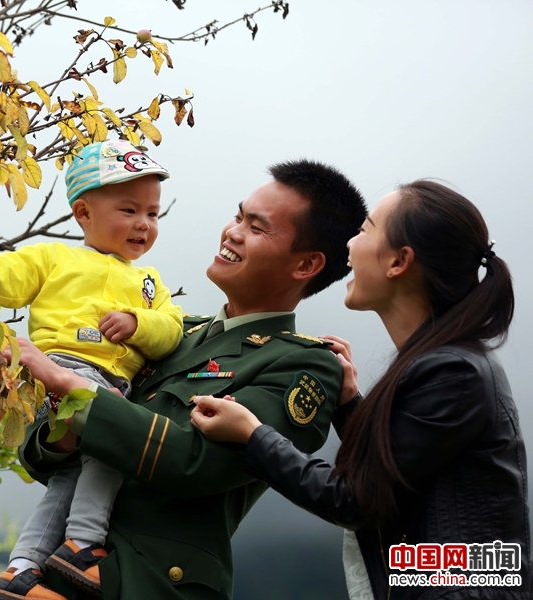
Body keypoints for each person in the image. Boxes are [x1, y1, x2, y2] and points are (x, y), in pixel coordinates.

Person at [10, 160, 368, 599]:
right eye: (238, 216)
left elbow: (192, 462)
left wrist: (70, 388)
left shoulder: (304, 366)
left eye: (256, 228)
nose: (232, 233)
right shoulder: (168, 332)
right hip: (54, 572)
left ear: (306, 264)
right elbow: (39, 456)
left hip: (153, 584)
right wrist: (61, 434)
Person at [191, 180, 531, 599]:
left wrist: (253, 435)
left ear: (399, 262)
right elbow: (401, 472)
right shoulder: (447, 361)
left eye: (366, 230)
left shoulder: (452, 371)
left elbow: (354, 499)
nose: (350, 244)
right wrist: (350, 405)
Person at [0, 140, 184, 600]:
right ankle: (83, 544)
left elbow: (171, 330)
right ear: (83, 213)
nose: (143, 224)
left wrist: (139, 322)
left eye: (153, 214)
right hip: (66, 368)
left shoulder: (149, 282)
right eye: (129, 210)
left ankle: (20, 570)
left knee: (69, 477)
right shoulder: (57, 259)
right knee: (118, 443)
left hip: (106, 380)